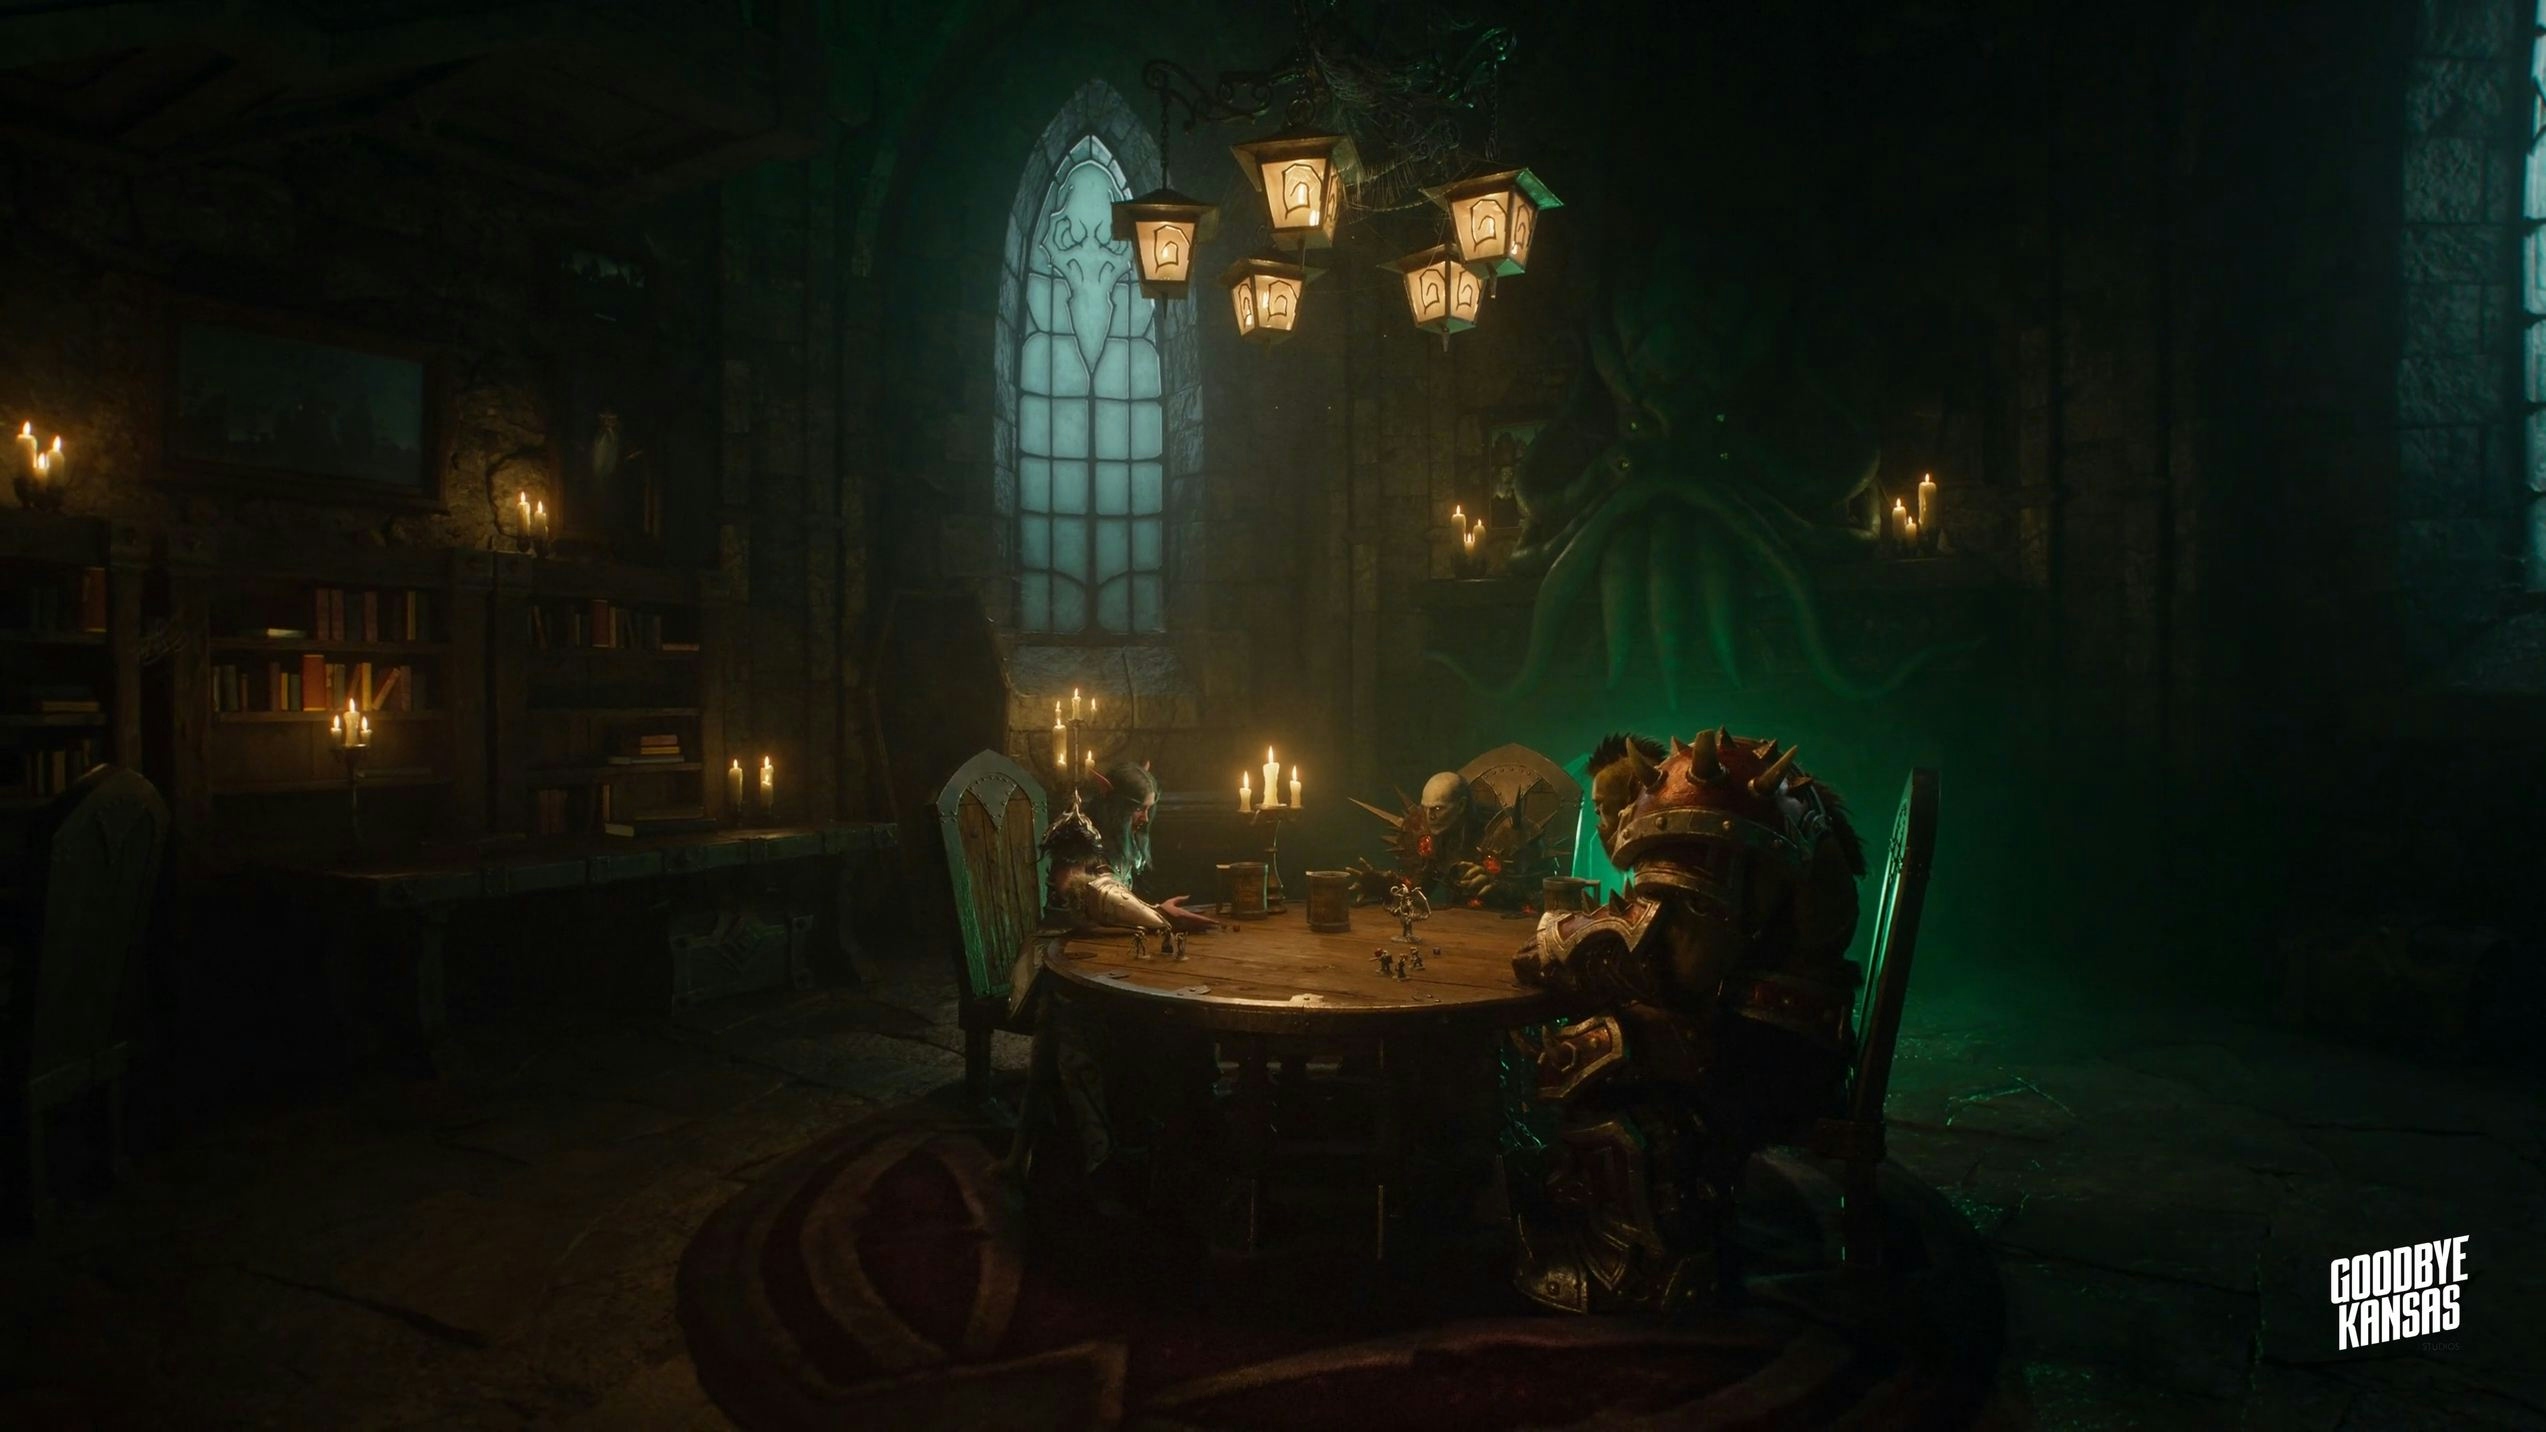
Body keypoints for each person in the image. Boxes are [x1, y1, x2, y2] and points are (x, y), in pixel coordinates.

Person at [1505, 729, 1864, 1313]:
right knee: (1612, 1032)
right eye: (1600, 810)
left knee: (1580, 1053)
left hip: (1769, 1052)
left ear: (1645, 792)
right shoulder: (1744, 790)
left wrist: (1555, 942)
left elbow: (1682, 966)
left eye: (1615, 805)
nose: (1609, 822)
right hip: (1789, 1032)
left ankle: (1638, 1262)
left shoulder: (1710, 806)